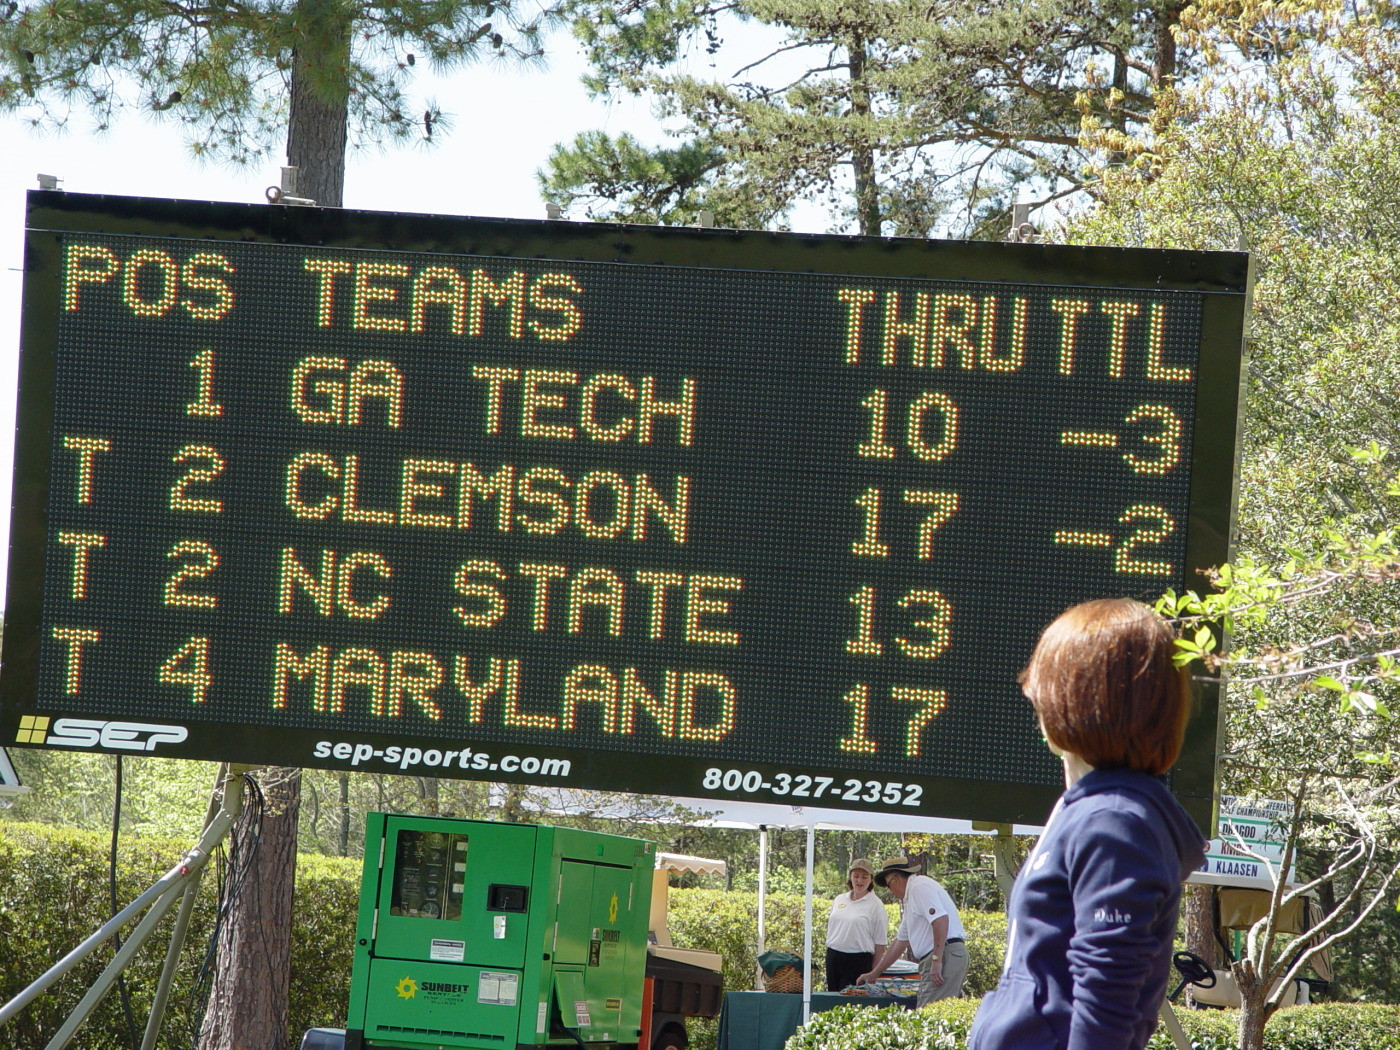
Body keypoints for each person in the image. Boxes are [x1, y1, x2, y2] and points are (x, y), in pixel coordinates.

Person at [967, 598, 1208, 1050]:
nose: (1031, 693)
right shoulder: (1096, 810)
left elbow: (1107, 995)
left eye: (1043, 681)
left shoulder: (1114, 822)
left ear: (1076, 698)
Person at [856, 856, 967, 1005]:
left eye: (889, 885)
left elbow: (940, 920)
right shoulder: (911, 898)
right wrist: (875, 973)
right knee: (932, 1013)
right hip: (943, 955)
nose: (890, 891)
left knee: (929, 1016)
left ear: (896, 879)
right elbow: (900, 942)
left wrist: (936, 960)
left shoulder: (919, 887)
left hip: (945, 954)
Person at [824, 858, 888, 991]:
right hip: (834, 957)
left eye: (864, 877)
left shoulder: (876, 905)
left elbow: (880, 944)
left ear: (871, 879)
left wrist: (873, 974)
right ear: (850, 877)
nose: (860, 881)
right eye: (856, 876)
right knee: (832, 1001)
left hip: (858, 960)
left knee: (852, 1003)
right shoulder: (839, 899)